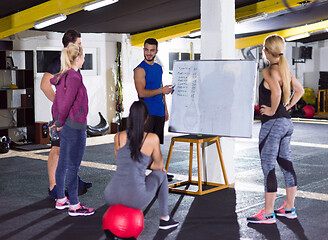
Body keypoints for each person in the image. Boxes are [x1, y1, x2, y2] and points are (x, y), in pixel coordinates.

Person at [247, 34, 304, 224]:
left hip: (273, 125)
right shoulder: (285, 69)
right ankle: (289, 208)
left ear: (266, 51)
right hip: (286, 123)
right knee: (286, 165)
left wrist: (272, 110)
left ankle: (269, 213)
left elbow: (277, 92)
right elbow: (300, 90)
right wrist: (287, 106)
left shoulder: (268, 71)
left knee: (268, 167)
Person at [104, 101, 179, 230]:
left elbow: (122, 161)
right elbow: (159, 165)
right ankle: (165, 219)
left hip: (111, 194)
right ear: (146, 118)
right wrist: (145, 163)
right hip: (135, 198)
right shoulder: (152, 138)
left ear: (130, 117)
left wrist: (140, 163)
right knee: (162, 173)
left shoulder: (117, 137)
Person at [40, 30, 92, 199]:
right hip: (62, 114)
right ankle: (53, 187)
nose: (81, 46)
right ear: (71, 45)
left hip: (72, 116)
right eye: (79, 43)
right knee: (57, 149)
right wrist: (60, 103)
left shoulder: (73, 62)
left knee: (69, 149)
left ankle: (75, 181)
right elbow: (44, 85)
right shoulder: (58, 62)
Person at [50, 44, 94, 216]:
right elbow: (66, 103)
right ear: (77, 58)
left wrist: (57, 120)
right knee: (74, 167)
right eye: (83, 56)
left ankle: (61, 199)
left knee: (62, 164)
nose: (84, 59)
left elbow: (57, 102)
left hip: (66, 126)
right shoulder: (74, 77)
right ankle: (74, 205)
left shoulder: (63, 76)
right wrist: (59, 121)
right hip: (74, 127)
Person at [134, 38, 173, 144]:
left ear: (156, 51)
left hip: (159, 112)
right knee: (145, 147)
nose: (148, 53)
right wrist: (161, 90)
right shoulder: (139, 70)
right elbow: (141, 93)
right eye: (146, 50)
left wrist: (165, 109)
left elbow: (160, 87)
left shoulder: (159, 68)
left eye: (152, 50)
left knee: (156, 147)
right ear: (143, 50)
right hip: (147, 113)